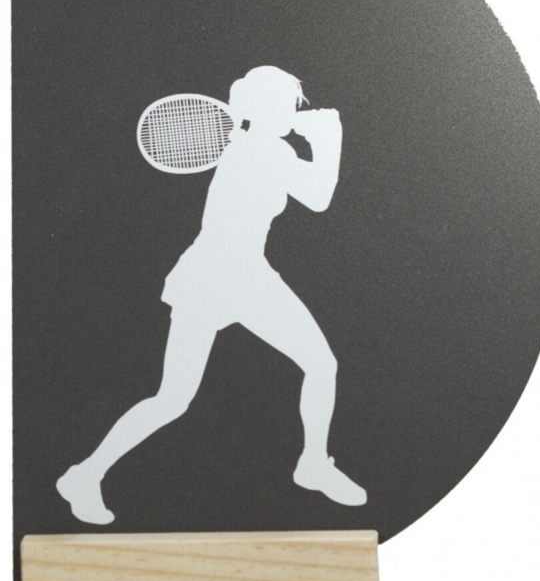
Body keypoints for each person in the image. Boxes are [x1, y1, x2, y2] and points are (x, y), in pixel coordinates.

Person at [56, 66, 367, 524]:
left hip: (250, 276)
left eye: (293, 104)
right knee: (173, 399)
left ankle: (313, 465)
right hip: (211, 278)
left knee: (321, 365)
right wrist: (330, 139)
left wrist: (315, 139)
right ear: (260, 108)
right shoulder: (263, 150)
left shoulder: (254, 146)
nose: (293, 110)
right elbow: (319, 196)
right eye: (285, 103)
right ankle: (84, 475)